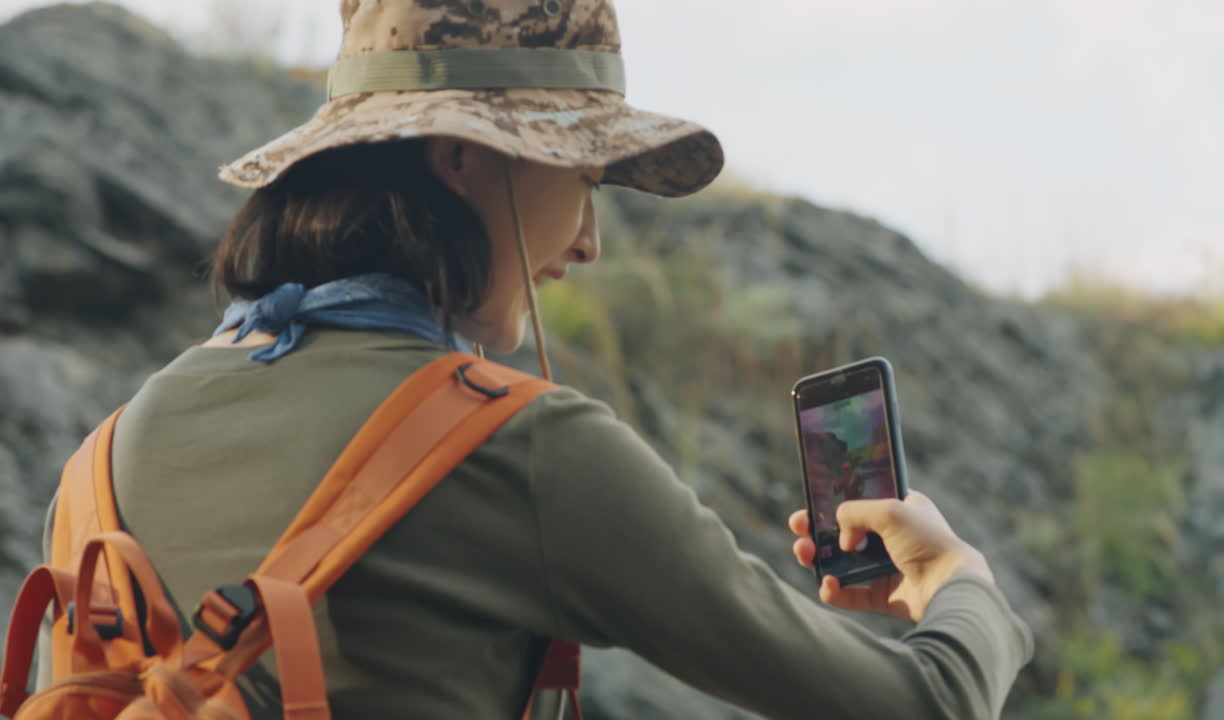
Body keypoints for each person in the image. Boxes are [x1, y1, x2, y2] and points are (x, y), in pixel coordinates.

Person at [39, 0, 1033, 718]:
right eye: (582, 171)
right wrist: (965, 589)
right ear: (462, 158)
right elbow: (920, 704)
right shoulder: (519, 449)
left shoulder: (107, 457)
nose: (589, 239)